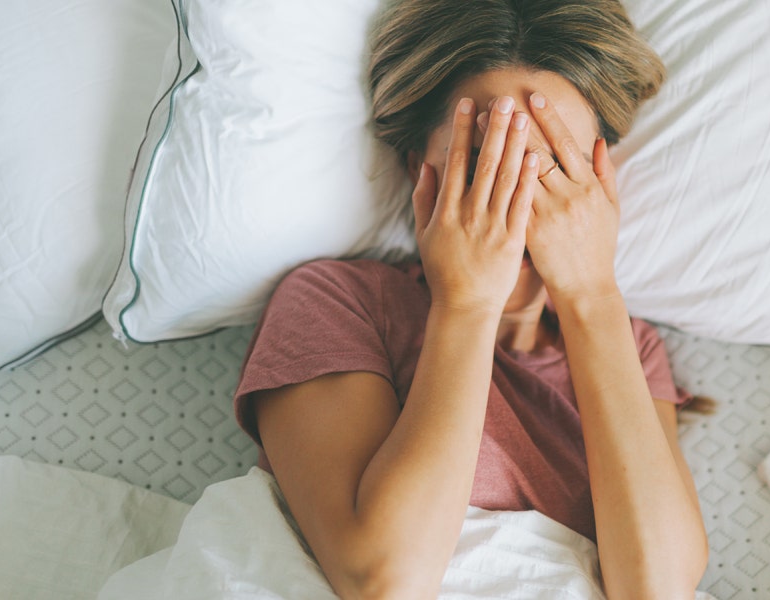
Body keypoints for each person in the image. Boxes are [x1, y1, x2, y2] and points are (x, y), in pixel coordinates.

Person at [232, 0, 709, 597]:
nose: (521, 198)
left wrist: (592, 298)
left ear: (601, 180)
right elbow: (384, 579)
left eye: (555, 166)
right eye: (488, 166)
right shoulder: (339, 300)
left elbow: (658, 588)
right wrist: (467, 305)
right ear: (418, 172)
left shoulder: (629, 345)